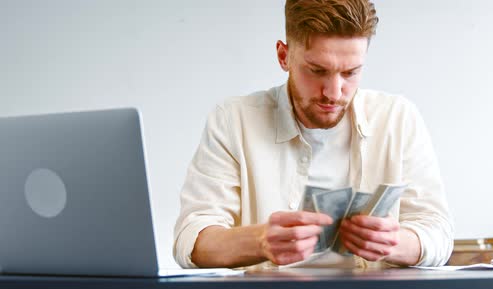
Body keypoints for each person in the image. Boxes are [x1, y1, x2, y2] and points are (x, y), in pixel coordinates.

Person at [173, 0, 453, 269]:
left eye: (350, 72)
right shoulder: (233, 120)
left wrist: (393, 243)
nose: (334, 92)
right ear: (284, 56)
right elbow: (190, 240)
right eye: (317, 71)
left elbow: (438, 231)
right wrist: (260, 241)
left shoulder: (397, 118)